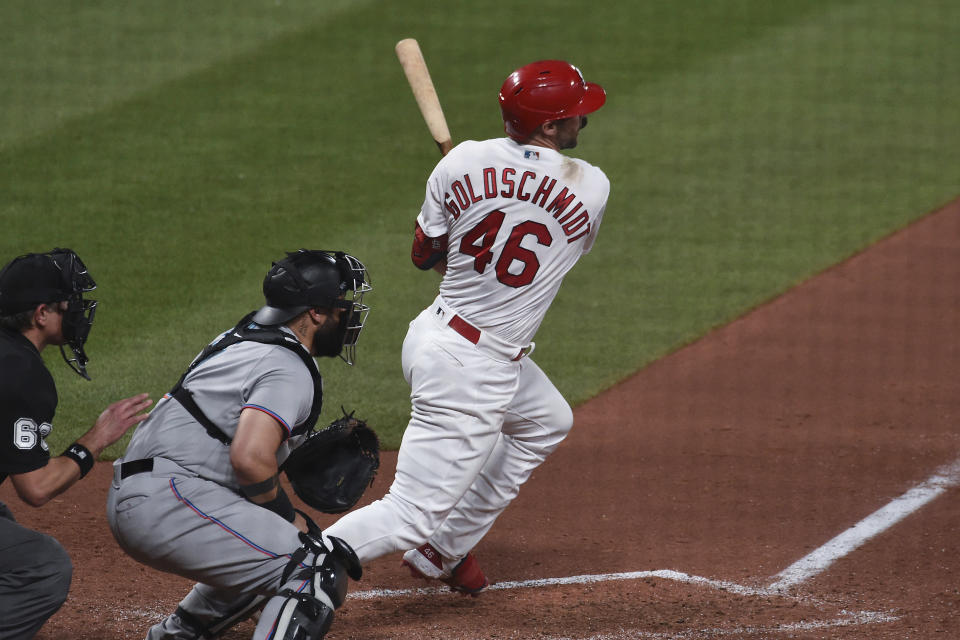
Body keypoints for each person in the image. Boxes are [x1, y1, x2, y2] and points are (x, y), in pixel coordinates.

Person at [322, 59, 609, 595]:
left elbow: (425, 255)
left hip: (436, 335)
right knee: (408, 512)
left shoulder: (459, 163)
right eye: (574, 114)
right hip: (471, 368)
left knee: (546, 420)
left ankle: (443, 549)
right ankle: (292, 565)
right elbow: (531, 254)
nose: (582, 121)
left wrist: (470, 197)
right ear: (548, 128)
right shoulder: (591, 186)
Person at [106, 249, 372, 640]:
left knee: (280, 546)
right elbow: (249, 460)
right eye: (340, 306)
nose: (347, 315)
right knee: (315, 566)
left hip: (152, 493)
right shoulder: (288, 366)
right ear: (315, 312)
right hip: (170, 500)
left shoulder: (241, 339)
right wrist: (287, 515)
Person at [0, 248, 153, 639]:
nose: (77, 313)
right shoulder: (20, 372)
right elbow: (35, 488)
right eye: (67, 304)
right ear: (41, 314)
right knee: (44, 565)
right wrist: (94, 440)